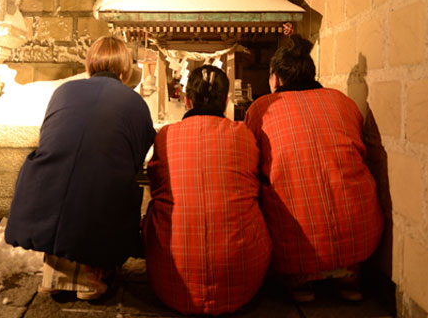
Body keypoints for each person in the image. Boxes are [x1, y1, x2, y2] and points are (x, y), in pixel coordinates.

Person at [5, 36, 156, 300]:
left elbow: (50, 138)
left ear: (90, 65)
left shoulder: (63, 91)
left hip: (43, 194)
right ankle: (90, 276)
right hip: (98, 204)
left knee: (66, 178)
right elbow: (136, 161)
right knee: (108, 183)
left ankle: (55, 274)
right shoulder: (135, 103)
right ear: (124, 69)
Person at [244, 35, 383, 303]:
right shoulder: (342, 102)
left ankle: (300, 280)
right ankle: (348, 277)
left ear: (275, 78)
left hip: (294, 244)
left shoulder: (262, 108)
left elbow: (251, 165)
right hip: (362, 235)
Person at [142, 65, 271, 315]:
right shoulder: (243, 135)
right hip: (243, 278)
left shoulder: (166, 135)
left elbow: (156, 184)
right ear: (226, 101)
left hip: (169, 280)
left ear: (187, 99)